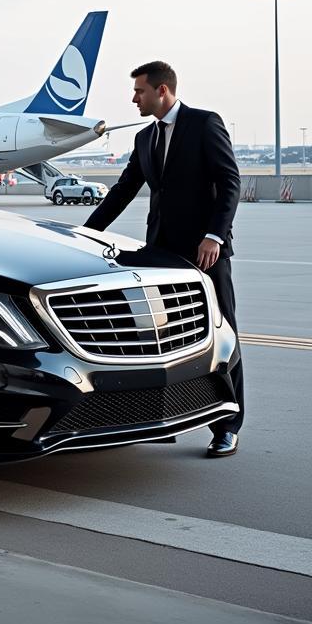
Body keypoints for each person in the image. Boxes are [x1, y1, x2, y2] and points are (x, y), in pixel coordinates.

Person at [84, 61, 243, 457]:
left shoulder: (204, 124)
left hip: (206, 252)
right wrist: (84, 234)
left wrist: (214, 236)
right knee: (159, 342)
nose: (133, 98)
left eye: (139, 91)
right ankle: (162, 420)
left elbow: (230, 182)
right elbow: (122, 191)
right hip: (161, 253)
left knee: (224, 336)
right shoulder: (144, 138)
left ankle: (227, 426)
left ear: (162, 91)